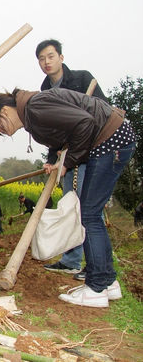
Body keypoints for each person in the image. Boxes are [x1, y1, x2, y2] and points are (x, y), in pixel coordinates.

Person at [0, 88, 135, 307]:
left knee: (89, 216)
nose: (2, 132)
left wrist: (69, 162)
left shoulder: (35, 108)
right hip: (112, 139)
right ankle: (108, 282)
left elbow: (85, 124)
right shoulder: (32, 113)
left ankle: (97, 288)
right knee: (90, 214)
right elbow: (67, 133)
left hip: (109, 140)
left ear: (5, 110)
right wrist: (56, 161)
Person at [36, 39, 108, 279]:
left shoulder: (82, 79)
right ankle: (72, 260)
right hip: (67, 156)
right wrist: (51, 158)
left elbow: (101, 111)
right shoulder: (45, 91)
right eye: (42, 59)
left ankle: (96, 265)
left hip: (91, 152)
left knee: (87, 210)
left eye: (50, 56)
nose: (46, 62)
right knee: (70, 206)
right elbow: (52, 127)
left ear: (61, 58)